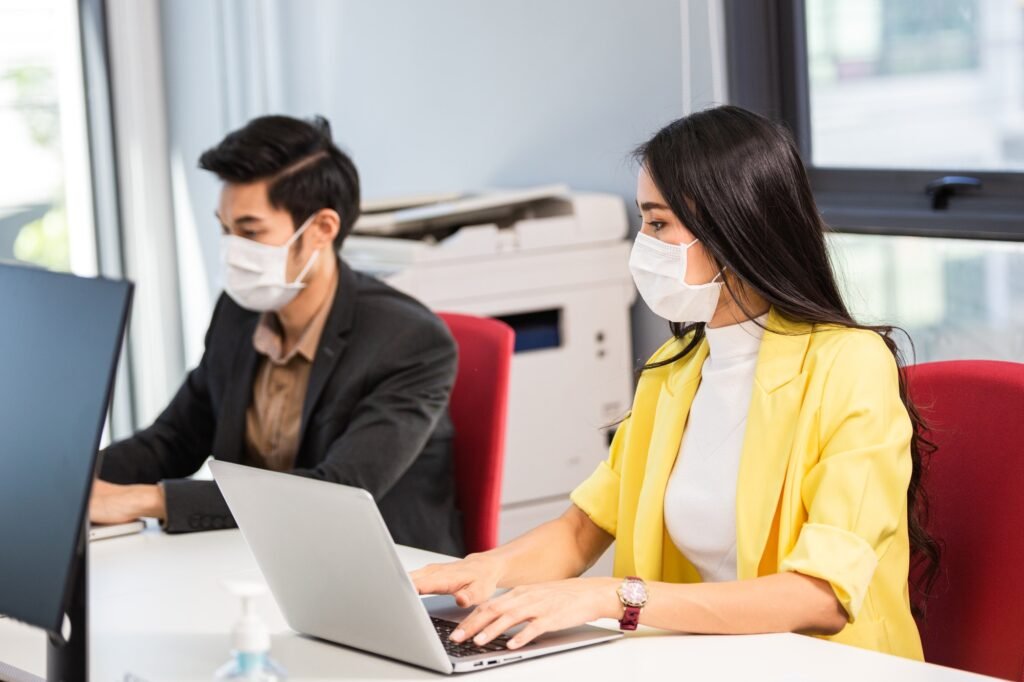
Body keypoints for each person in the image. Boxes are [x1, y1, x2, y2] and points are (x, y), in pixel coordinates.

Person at [412, 105, 937, 656]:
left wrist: (618, 597)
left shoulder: (849, 364)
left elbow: (821, 597)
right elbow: (579, 532)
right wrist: (482, 569)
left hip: (823, 664)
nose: (645, 244)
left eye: (658, 223)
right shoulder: (676, 369)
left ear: (736, 226)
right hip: (701, 656)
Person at [91, 114, 464, 555]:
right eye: (225, 230)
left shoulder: (411, 342)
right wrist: (66, 483)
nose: (232, 250)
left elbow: (339, 494)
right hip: (258, 556)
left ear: (322, 229)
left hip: (374, 568)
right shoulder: (240, 311)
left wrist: (151, 500)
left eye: (250, 231)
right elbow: (174, 439)